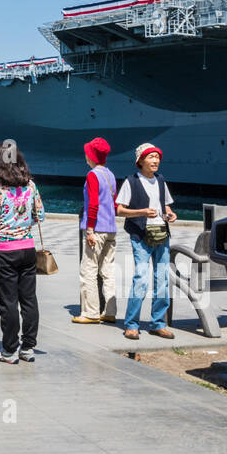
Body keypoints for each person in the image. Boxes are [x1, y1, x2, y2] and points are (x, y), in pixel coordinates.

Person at [0, 141, 45, 363]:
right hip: (28, 248)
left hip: (5, 251)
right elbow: (40, 216)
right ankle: (28, 347)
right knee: (29, 299)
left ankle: (9, 350)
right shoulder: (31, 186)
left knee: (8, 301)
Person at [116, 143, 178, 341]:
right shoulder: (131, 182)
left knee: (162, 279)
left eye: (157, 157)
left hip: (161, 233)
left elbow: (166, 205)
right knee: (141, 278)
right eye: (151, 157)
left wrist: (170, 214)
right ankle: (132, 324)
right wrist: (142, 212)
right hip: (140, 235)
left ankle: (158, 323)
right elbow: (119, 210)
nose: (156, 160)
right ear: (140, 161)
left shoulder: (160, 180)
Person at [73, 137, 118, 325]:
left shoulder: (92, 175)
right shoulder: (110, 175)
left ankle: (91, 312)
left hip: (97, 228)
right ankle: (109, 311)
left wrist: (90, 229)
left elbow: (93, 204)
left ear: (90, 155)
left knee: (88, 270)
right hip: (111, 228)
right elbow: (113, 203)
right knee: (108, 270)